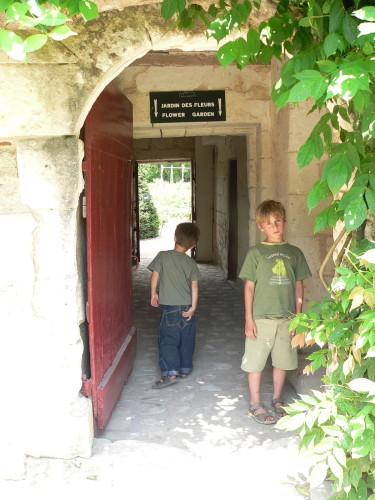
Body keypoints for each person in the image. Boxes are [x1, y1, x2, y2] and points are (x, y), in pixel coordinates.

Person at [239, 200, 311, 424]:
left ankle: (277, 399)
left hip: (287, 317)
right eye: (269, 223)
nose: (275, 226)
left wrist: (298, 317)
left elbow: (299, 284)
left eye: (278, 221)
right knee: (256, 362)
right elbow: (249, 286)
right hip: (261, 317)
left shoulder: (295, 253)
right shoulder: (256, 253)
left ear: (285, 222)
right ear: (261, 227)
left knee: (282, 361)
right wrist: (248, 319)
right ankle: (255, 404)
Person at [148, 222, 200, 389]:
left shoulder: (163, 256)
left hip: (170, 308)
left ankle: (171, 372)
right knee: (187, 339)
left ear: (175, 238)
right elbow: (194, 286)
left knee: (168, 340)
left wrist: (153, 293)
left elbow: (155, 276)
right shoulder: (190, 263)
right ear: (193, 244)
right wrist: (193, 307)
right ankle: (185, 368)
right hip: (186, 307)